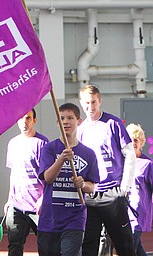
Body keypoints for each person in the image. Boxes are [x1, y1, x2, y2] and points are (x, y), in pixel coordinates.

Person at [77, 84, 137, 256]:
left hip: (112, 193)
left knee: (124, 244)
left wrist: (124, 188)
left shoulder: (113, 123)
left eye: (94, 102)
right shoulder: (81, 131)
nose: (91, 107)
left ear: (100, 101)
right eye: (87, 103)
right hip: (91, 194)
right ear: (82, 103)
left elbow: (130, 155)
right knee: (89, 245)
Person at [37, 103, 100, 256]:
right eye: (62, 118)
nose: (66, 122)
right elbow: (48, 178)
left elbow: (92, 187)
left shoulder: (89, 154)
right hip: (50, 218)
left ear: (79, 121)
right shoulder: (49, 149)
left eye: (70, 118)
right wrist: (61, 159)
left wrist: (82, 184)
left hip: (75, 218)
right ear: (58, 123)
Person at [4, 108, 49, 256]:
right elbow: (13, 173)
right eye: (21, 118)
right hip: (17, 206)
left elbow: (49, 176)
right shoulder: (13, 144)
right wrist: (9, 200)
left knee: (47, 247)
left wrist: (43, 199)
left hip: (38, 207)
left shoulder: (42, 143)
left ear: (34, 120)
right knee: (14, 247)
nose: (24, 122)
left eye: (28, 118)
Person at [126, 123, 153, 256]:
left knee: (129, 246)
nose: (133, 143)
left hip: (138, 212)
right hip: (123, 210)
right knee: (136, 248)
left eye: (136, 140)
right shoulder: (122, 162)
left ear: (141, 142)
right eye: (130, 140)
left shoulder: (147, 164)